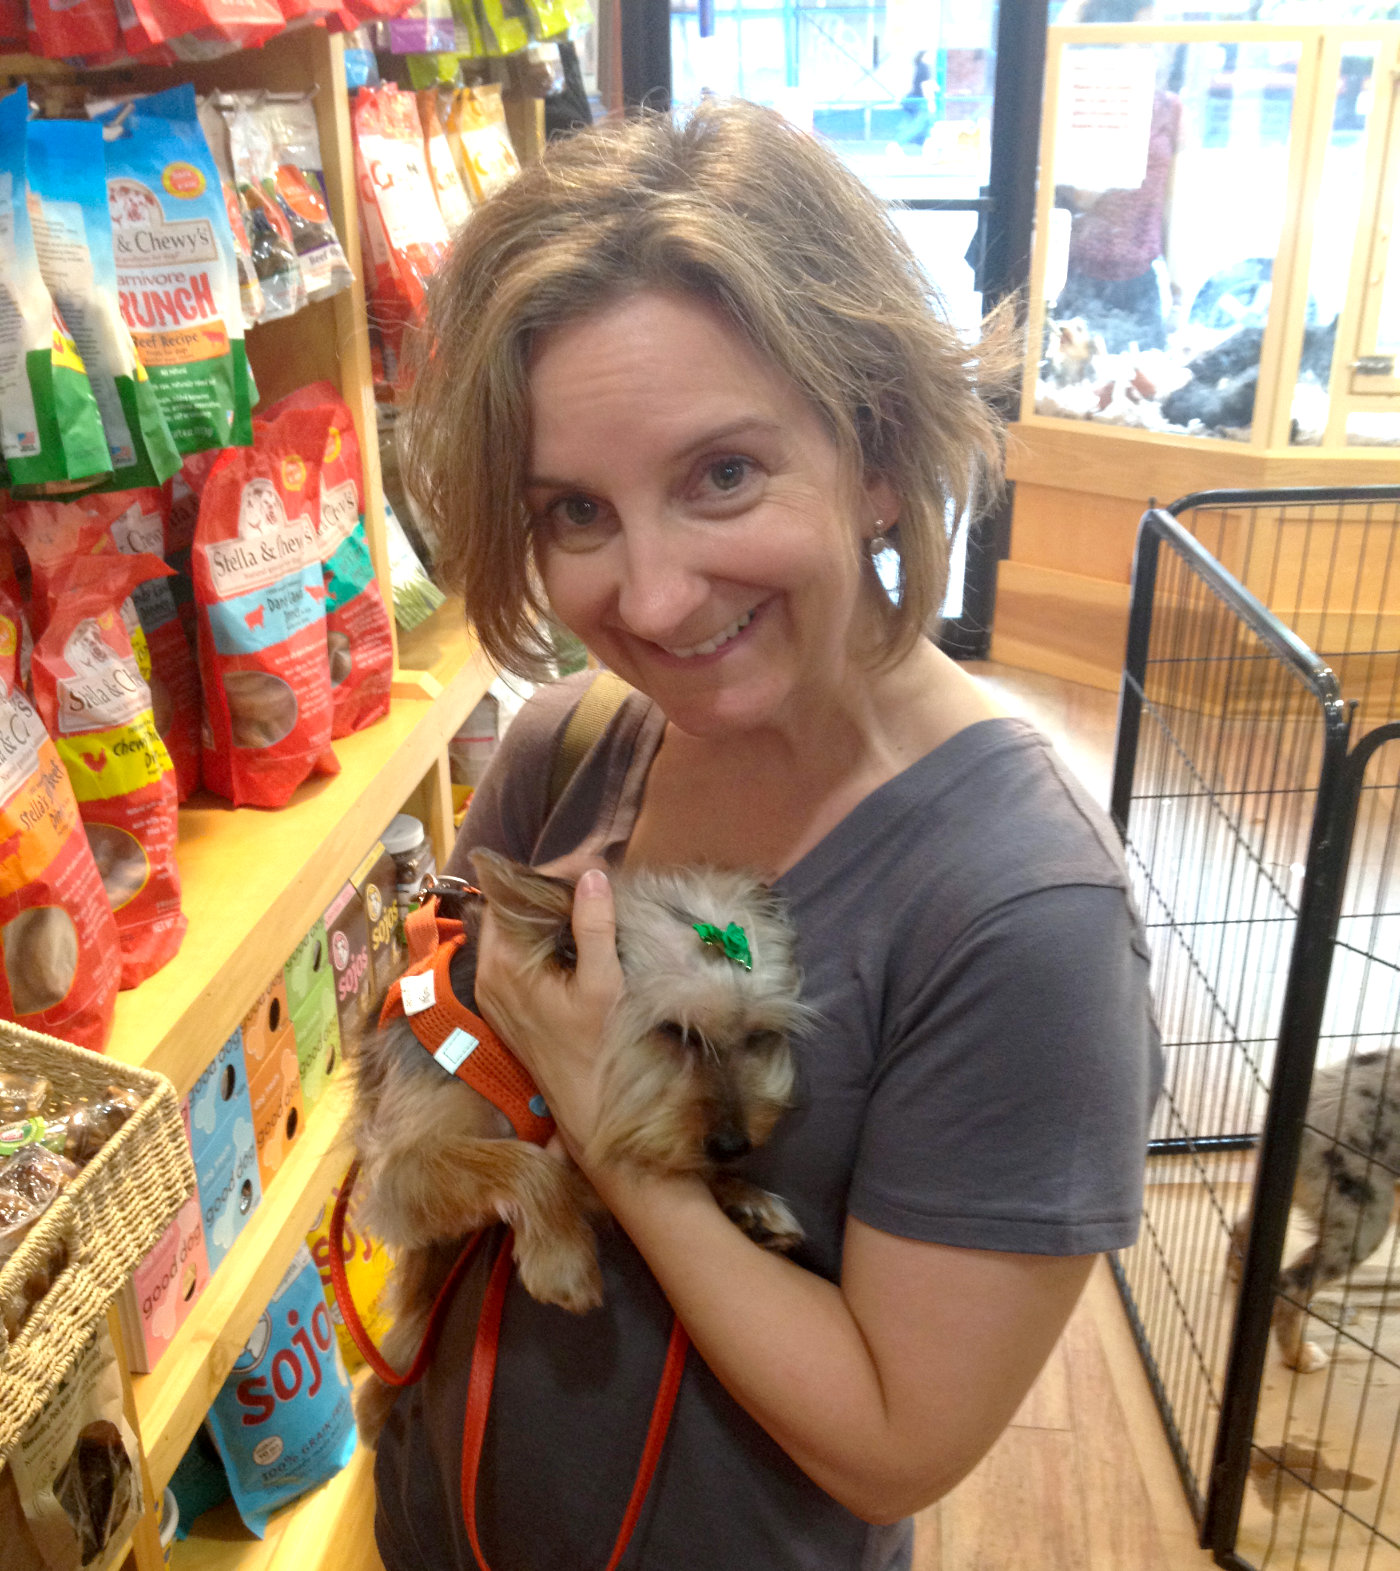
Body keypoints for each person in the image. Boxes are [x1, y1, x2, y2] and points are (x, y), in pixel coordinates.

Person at [374, 99, 1162, 1571]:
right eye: (575, 509)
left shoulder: (1019, 911)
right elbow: (442, 1119)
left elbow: (894, 1437)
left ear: (872, 447)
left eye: (723, 473)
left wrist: (607, 1117)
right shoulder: (566, 748)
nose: (654, 600)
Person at [1053, 0, 1181, 352]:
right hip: (1074, 277)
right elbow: (1080, 195)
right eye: (1142, 39)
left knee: (1139, 393)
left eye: (1159, 39)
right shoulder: (1073, 102)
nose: (1157, 48)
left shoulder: (1169, 109)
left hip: (1140, 279)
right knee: (1065, 391)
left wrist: (1178, 284)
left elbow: (1170, 205)